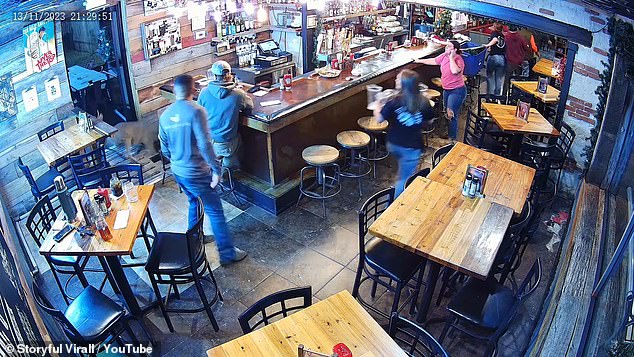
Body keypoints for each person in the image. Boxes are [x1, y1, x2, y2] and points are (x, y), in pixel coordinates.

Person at [159, 74, 247, 266]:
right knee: (215, 210)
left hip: (179, 171)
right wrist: (216, 169)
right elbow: (206, 145)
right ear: (194, 90)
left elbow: (164, 148)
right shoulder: (196, 111)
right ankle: (227, 254)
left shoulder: (165, 115)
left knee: (193, 202)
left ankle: (195, 238)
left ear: (175, 90)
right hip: (197, 171)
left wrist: (178, 161)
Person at [374, 69, 434, 197]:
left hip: (393, 144)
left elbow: (379, 119)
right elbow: (430, 120)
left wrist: (377, 105)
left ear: (402, 84)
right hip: (412, 147)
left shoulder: (393, 102)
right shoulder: (424, 102)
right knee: (404, 179)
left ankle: (393, 197)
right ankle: (393, 206)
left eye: (398, 79)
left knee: (400, 175)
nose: (395, 80)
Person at [198, 60, 254, 169]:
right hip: (227, 144)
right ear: (229, 75)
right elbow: (249, 106)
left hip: (208, 141)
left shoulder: (204, 92)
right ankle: (231, 166)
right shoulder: (238, 94)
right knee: (243, 139)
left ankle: (220, 167)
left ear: (214, 76)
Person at [415, 40, 467, 141]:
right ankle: (449, 134)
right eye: (446, 46)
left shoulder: (458, 59)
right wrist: (419, 60)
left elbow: (454, 71)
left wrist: (451, 57)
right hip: (446, 90)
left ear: (455, 50)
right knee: (447, 113)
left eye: (449, 47)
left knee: (451, 114)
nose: (446, 49)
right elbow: (434, 61)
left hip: (457, 90)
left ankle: (452, 140)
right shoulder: (444, 56)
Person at [503, 25, 530, 95]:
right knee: (517, 80)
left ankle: (504, 96)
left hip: (509, 61)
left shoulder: (506, 37)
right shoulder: (520, 37)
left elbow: (503, 47)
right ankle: (515, 96)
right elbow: (526, 48)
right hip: (519, 62)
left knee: (507, 80)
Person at [483, 22, 506, 97]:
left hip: (493, 57)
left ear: (495, 28)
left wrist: (488, 45)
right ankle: (497, 96)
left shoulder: (494, 33)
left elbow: (495, 39)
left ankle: (490, 96)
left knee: (490, 76)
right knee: (499, 78)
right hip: (502, 58)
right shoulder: (503, 36)